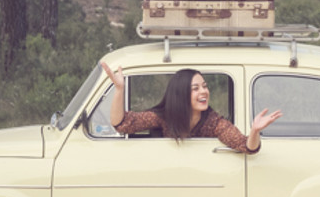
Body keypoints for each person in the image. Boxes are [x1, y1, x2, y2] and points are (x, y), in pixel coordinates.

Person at [100, 63, 282, 154]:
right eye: (195, 88)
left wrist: (255, 131)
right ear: (181, 95)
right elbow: (122, 124)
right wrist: (119, 89)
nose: (204, 92)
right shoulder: (164, 117)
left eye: (204, 86)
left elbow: (245, 146)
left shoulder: (213, 122)